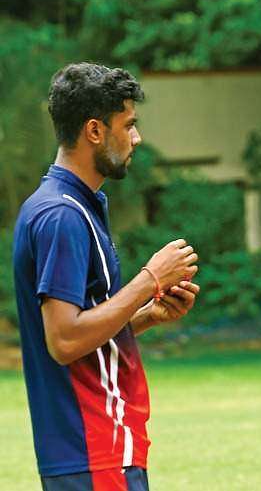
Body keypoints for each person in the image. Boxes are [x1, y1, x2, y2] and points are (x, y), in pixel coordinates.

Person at [13, 63, 200, 491]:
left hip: (98, 450)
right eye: (128, 125)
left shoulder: (72, 205)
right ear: (94, 131)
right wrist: (148, 279)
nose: (136, 138)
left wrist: (146, 314)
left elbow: (82, 332)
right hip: (92, 447)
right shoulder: (62, 215)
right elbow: (63, 341)